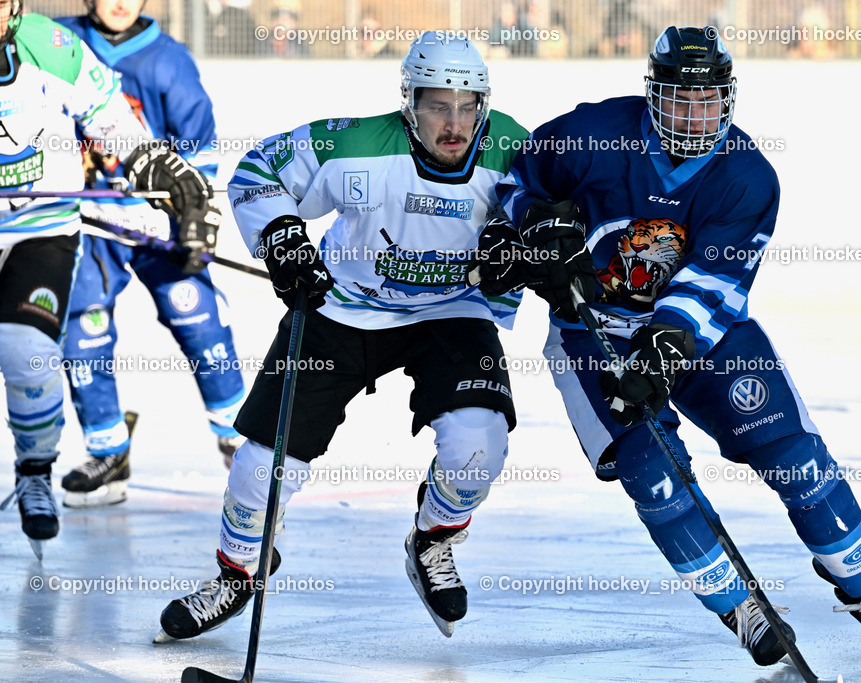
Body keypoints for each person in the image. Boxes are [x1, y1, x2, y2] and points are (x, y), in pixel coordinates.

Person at [478, 25, 861, 667]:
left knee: (792, 453)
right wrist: (528, 231)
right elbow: (515, 180)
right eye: (679, 100)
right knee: (653, 474)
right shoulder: (591, 133)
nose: (694, 115)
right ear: (653, 95)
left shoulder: (748, 175)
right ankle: (740, 607)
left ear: (729, 98)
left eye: (708, 100)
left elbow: (711, 283)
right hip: (591, 332)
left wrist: (663, 352)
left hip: (704, 335)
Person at [155, 31, 528, 642]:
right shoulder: (354, 142)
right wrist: (281, 236)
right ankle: (237, 571)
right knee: (261, 468)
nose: (453, 122)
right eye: (438, 104)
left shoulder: (513, 146)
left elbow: (554, 208)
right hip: (342, 308)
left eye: (467, 106)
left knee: (479, 446)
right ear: (409, 102)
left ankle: (433, 538)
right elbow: (257, 173)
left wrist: (521, 244)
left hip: (451, 311)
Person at [0, 2, 220, 556]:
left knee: (27, 350)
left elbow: (115, 121)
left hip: (40, 230)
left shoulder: (53, 46)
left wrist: (170, 177)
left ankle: (34, 470)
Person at [51, 0, 247, 508]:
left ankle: (238, 439)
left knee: (199, 318)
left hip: (156, 223)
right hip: (88, 221)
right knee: (82, 324)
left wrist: (194, 215)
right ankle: (108, 449)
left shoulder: (168, 59)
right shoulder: (56, 44)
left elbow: (200, 147)